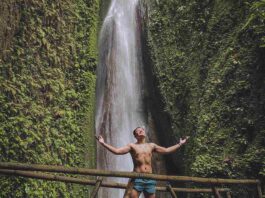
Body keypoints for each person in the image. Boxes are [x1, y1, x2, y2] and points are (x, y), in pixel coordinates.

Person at [96, 127, 189, 198]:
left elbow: (166, 150)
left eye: (142, 130)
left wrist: (180, 144)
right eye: (138, 131)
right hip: (137, 178)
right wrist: (103, 143)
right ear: (136, 136)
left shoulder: (151, 145)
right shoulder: (132, 146)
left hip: (150, 178)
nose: (141, 131)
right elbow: (117, 151)